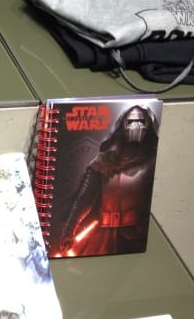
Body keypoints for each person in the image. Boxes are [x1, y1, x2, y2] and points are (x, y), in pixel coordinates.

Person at [57, 104, 159, 256]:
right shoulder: (105, 160)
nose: (136, 126)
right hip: (104, 234)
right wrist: (69, 231)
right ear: (122, 125)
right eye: (131, 121)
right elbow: (84, 199)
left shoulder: (152, 160)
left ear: (149, 125)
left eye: (141, 121)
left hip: (137, 235)